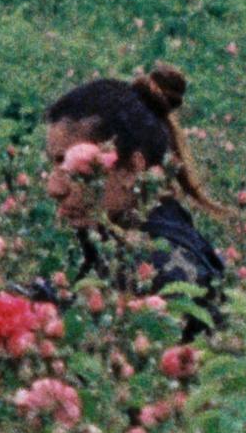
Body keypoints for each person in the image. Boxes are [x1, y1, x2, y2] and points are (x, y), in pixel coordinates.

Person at [41, 65, 226, 299]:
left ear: (131, 169)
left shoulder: (160, 269)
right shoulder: (121, 239)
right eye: (55, 164)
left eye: (73, 168)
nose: (54, 189)